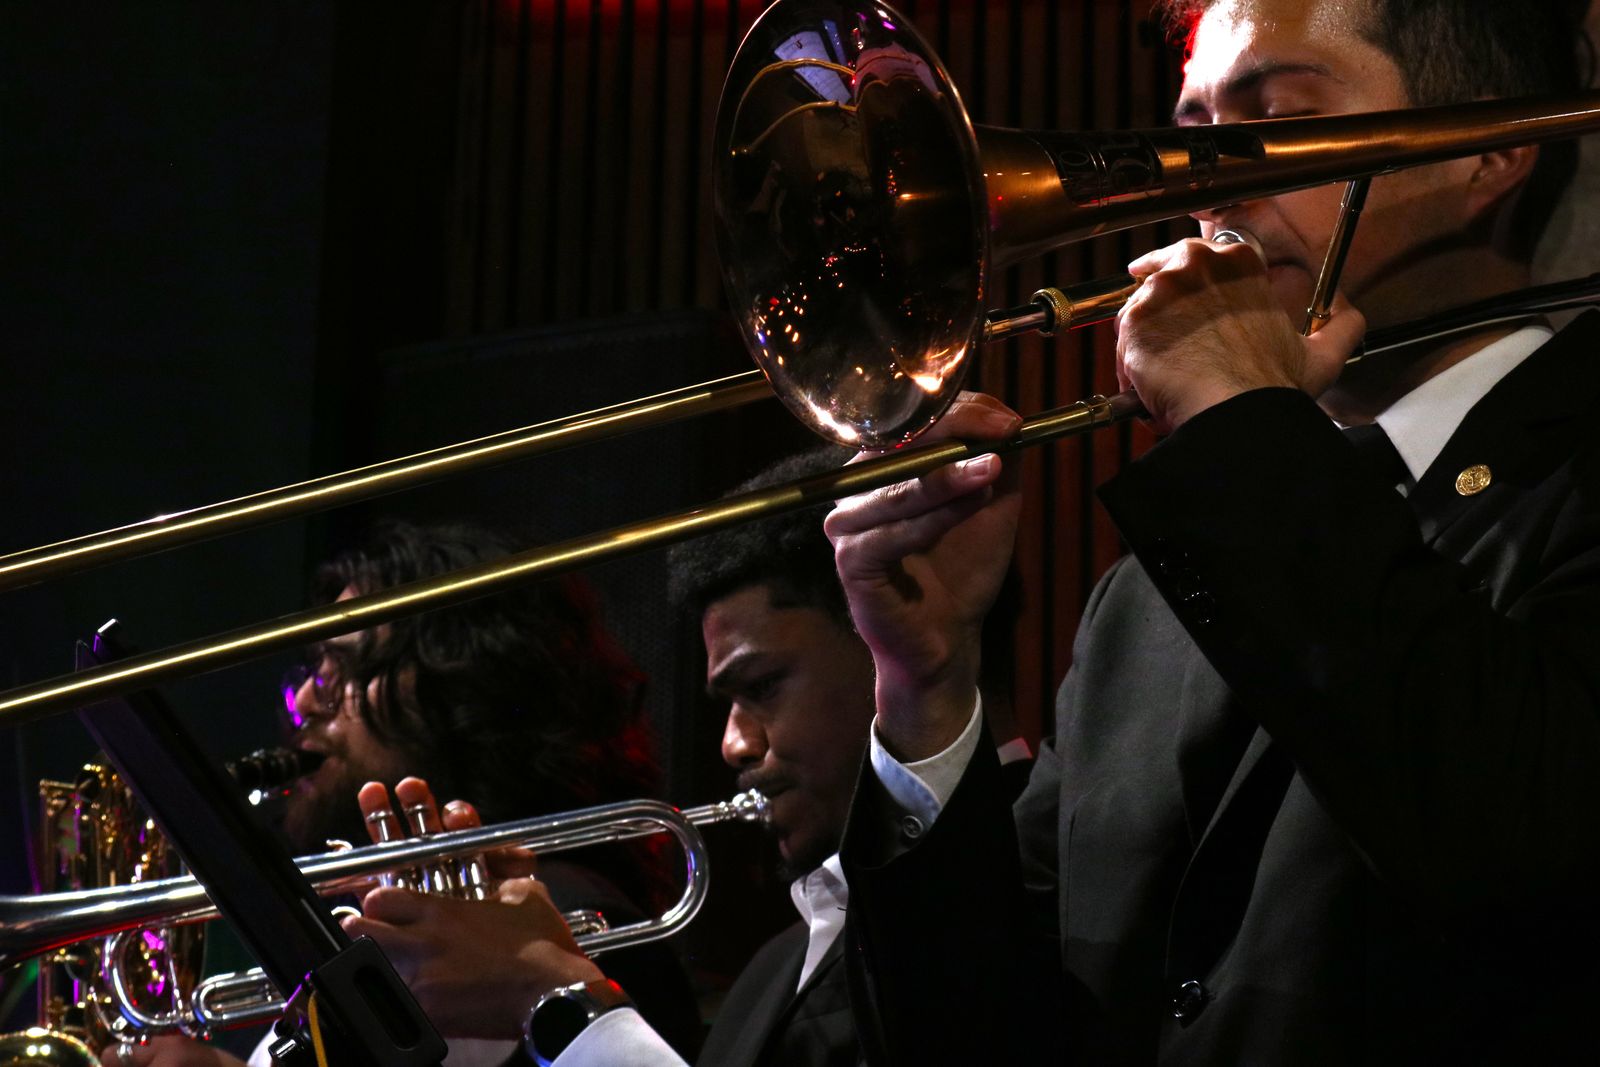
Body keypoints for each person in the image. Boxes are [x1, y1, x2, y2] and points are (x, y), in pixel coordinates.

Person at [823, 0, 1600, 1063]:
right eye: (1190, 133)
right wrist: (928, 688)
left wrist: (1241, 420)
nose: (1196, 186)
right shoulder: (1146, 593)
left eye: (1276, 121)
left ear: (1489, 148)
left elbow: (1518, 850)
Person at [332, 449, 1030, 1066]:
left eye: (762, 686)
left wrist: (557, 999)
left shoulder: (1062, 872)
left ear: (902, 623)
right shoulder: (773, 970)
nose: (733, 743)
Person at [104, 520, 698, 1067]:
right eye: (314, 669)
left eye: (344, 669)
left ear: (463, 684)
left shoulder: (572, 927)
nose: (306, 701)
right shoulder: (392, 919)